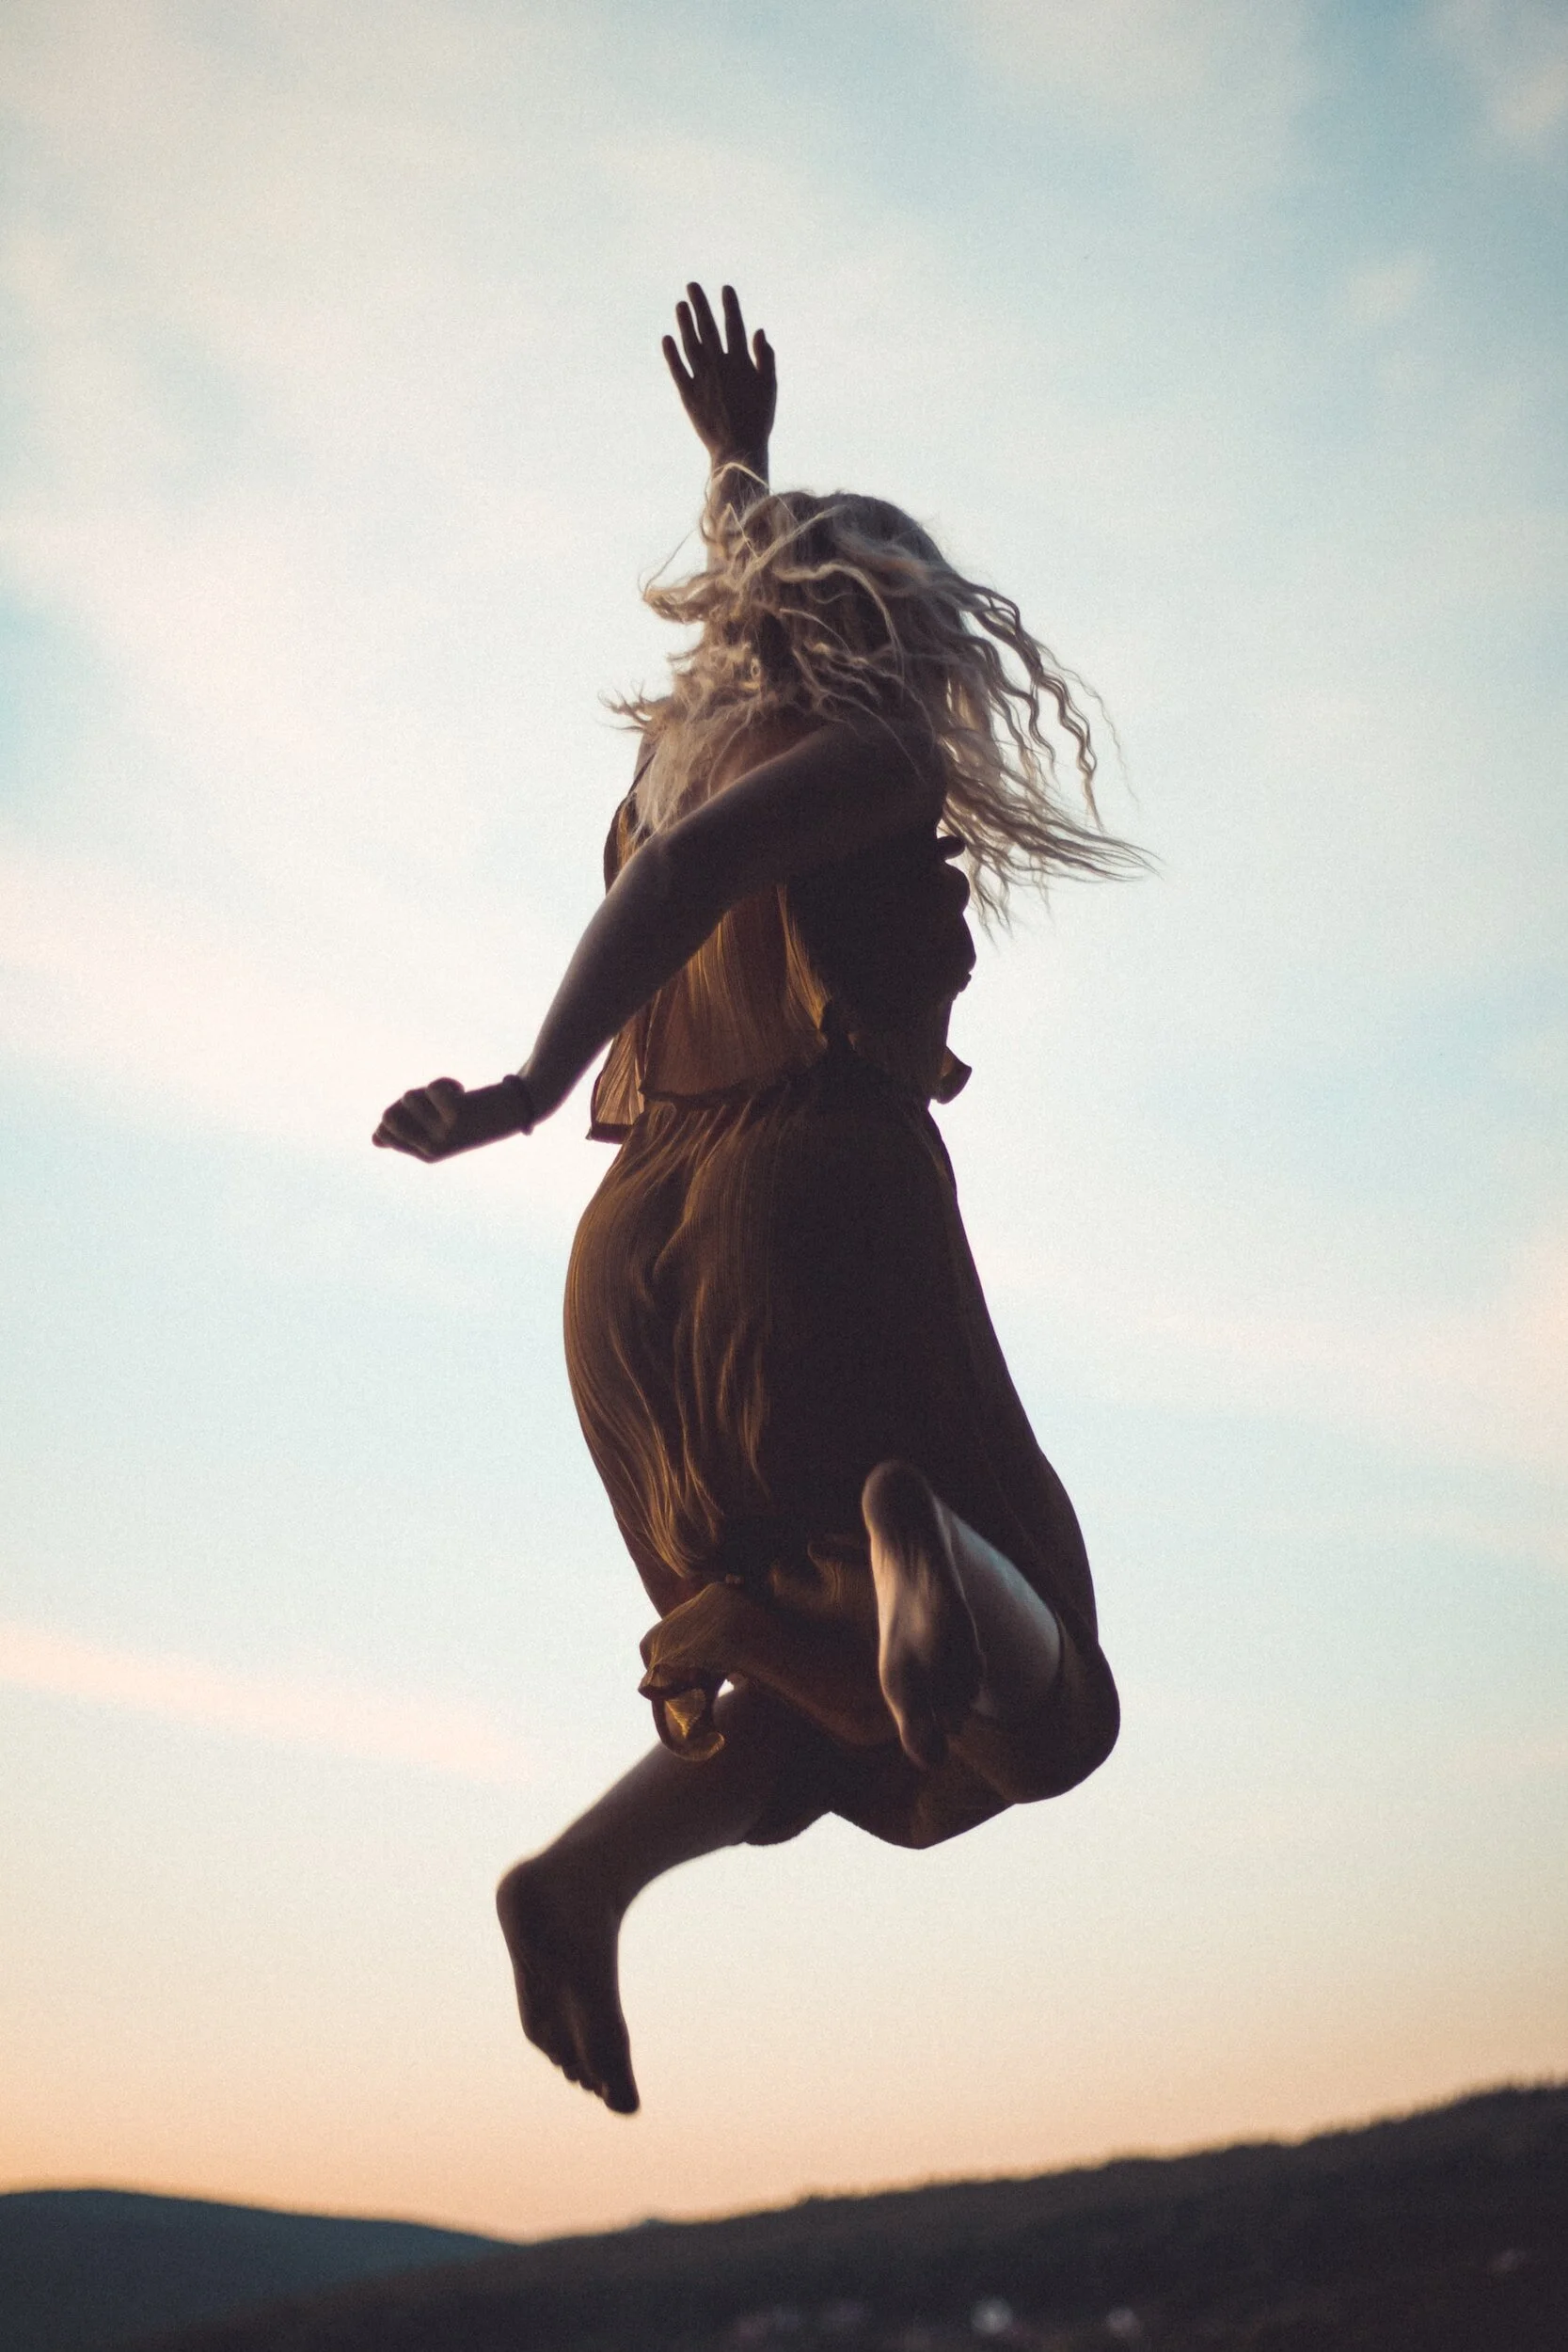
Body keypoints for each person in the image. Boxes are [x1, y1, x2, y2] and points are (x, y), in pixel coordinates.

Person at [373, 285, 1139, 2116]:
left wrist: (736, 471)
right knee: (1056, 1706)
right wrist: (527, 1080)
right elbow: (736, 860)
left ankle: (577, 1880)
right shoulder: (869, 761)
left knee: (806, 1706)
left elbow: (690, 855)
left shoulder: (667, 767)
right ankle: (917, 1541)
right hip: (808, 1207)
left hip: (628, 1259)